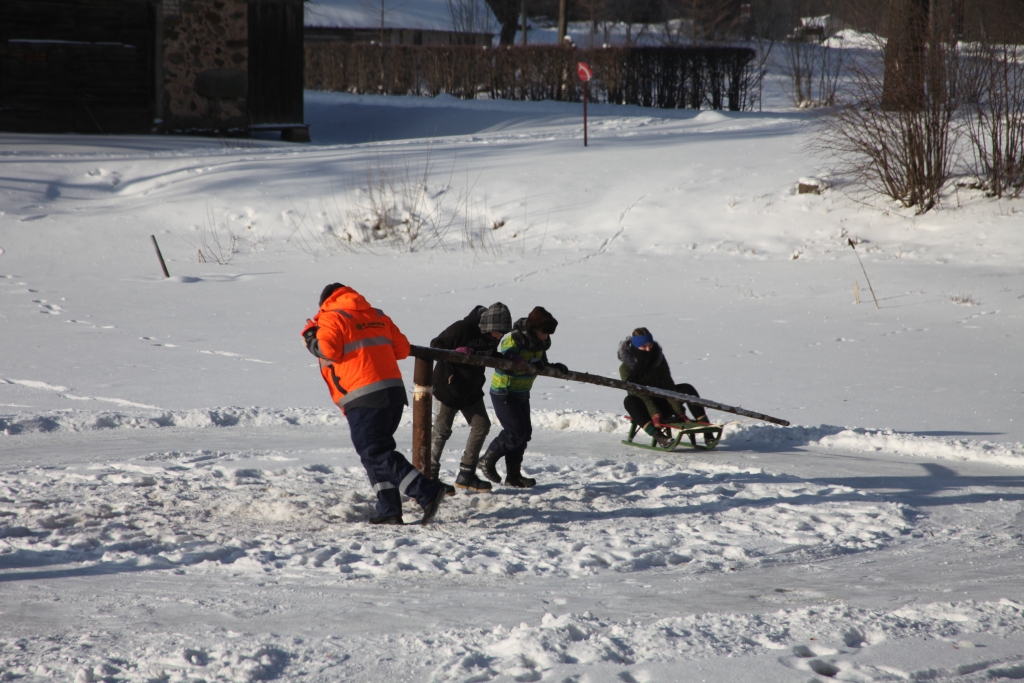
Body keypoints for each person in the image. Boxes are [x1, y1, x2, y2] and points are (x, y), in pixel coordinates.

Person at [302, 283, 445, 526]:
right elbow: (402, 350)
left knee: (374, 451)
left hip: (363, 395)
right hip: (393, 393)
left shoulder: (330, 317)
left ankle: (426, 491)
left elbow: (328, 349)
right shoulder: (377, 315)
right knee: (376, 453)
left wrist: (310, 338)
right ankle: (388, 509)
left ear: (326, 301)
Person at [429, 302, 513, 494]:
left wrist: (504, 359)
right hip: (448, 387)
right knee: (442, 430)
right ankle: (429, 475)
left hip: (471, 389)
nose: (500, 337)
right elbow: (435, 345)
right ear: (489, 326)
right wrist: (453, 354)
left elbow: (488, 354)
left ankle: (466, 474)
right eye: (498, 333)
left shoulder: (493, 335)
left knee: (481, 424)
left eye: (502, 334)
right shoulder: (462, 329)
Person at [480, 306, 568, 488]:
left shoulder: (539, 343)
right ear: (533, 329)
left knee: (524, 434)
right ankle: (487, 460)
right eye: (544, 332)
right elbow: (504, 363)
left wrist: (554, 367)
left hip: (522, 392)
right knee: (515, 433)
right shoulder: (513, 340)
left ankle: (513, 476)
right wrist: (526, 364)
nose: (546, 337)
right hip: (504, 391)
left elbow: (542, 363)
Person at [618, 327, 711, 447]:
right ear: (635, 347)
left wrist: (679, 412)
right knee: (629, 401)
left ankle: (707, 431)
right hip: (646, 407)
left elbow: (668, 386)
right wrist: (655, 413)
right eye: (644, 347)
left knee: (686, 389)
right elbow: (637, 393)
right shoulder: (625, 368)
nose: (648, 350)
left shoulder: (658, 359)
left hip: (664, 401)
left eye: (650, 345)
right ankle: (659, 437)